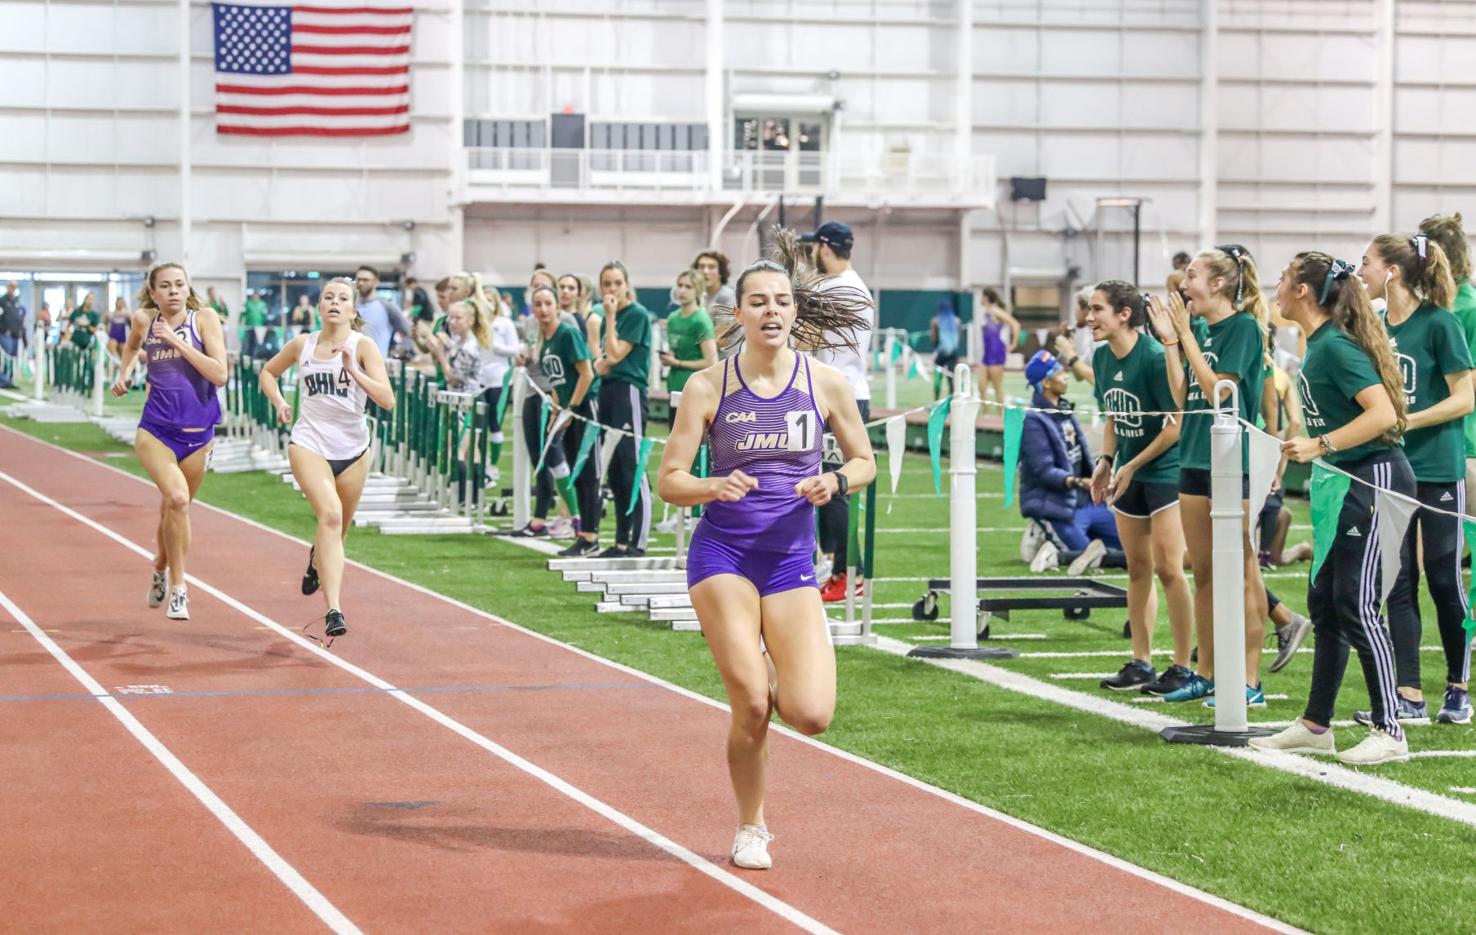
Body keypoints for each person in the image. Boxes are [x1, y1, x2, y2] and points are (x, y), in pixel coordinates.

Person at [655, 236, 874, 871]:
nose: (771, 311)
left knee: (810, 715)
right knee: (752, 705)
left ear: (795, 311)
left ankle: (785, 660)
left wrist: (835, 480)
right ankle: (751, 826)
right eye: (758, 302)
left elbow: (865, 461)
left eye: (781, 301)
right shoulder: (707, 386)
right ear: (739, 313)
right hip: (723, 554)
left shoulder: (825, 383)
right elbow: (668, 480)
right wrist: (711, 486)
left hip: (790, 561)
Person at [1250, 252, 1415, 765]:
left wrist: (1320, 445)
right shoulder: (1316, 344)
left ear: (1303, 290)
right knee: (1324, 601)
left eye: (1284, 278)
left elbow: (1384, 414)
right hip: (1342, 482)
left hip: (1373, 479)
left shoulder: (1335, 347)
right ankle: (1316, 725)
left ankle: (1391, 729)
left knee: (1357, 604)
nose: (1276, 287)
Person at [1146, 244, 1271, 708]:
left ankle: (1249, 680)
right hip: (1196, 459)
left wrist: (1186, 336)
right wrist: (1172, 343)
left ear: (1218, 283)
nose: (1184, 286)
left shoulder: (1244, 328)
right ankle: (1207, 672)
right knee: (1204, 573)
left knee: (1242, 572)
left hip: (1233, 464)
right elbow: (1185, 396)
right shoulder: (1198, 329)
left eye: (1193, 277)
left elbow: (1220, 392)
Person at [1362, 232, 1474, 726]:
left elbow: (1464, 398)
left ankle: (1458, 687)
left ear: (1392, 272)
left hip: (1438, 467)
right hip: (1391, 468)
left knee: (1444, 577)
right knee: (1399, 578)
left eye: (1367, 262)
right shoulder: (1374, 325)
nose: (1360, 271)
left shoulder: (1440, 323)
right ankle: (1408, 694)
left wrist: (1406, 421)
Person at [259, 278, 395, 640]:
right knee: (331, 516)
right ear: (320, 307)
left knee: (339, 531)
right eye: (328, 297)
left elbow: (387, 400)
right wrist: (280, 402)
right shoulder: (302, 344)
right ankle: (334, 610)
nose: (334, 302)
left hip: (353, 450)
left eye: (342, 298)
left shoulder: (363, 346)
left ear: (353, 310)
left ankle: (316, 560)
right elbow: (268, 372)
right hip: (309, 443)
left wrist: (354, 370)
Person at [1083, 282, 1193, 695]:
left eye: (1097, 309)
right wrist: (1106, 461)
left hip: (1165, 471)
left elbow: (1177, 424)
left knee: (1169, 568)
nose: (1089, 318)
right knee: (1138, 568)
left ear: (1124, 314)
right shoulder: (1101, 357)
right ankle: (1141, 661)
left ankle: (1182, 667)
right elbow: (1114, 416)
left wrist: (1131, 464)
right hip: (1128, 471)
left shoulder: (1152, 357)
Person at [110, 263, 228, 621]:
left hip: (198, 435)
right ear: (154, 292)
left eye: (179, 284)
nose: (173, 290)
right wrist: (124, 374)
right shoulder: (143, 320)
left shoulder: (204, 319)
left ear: (187, 288)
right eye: (165, 285)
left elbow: (220, 374)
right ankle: (179, 589)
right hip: (156, 431)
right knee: (177, 499)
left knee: (173, 511)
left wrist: (176, 341)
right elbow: (131, 347)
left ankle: (160, 567)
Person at [800, 221, 874, 603]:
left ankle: (848, 573)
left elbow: (804, 337)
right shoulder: (855, 285)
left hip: (838, 397)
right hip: (846, 392)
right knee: (831, 487)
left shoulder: (835, 288)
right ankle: (838, 569)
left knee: (835, 487)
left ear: (824, 247)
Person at [1019, 350, 1127, 576]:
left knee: (1130, 543)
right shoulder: (1033, 421)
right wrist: (1079, 482)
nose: (1066, 376)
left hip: (1086, 503)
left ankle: (1060, 549)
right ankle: (1048, 543)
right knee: (1084, 552)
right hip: (1058, 507)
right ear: (1046, 383)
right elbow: (1044, 471)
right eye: (1059, 373)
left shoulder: (1064, 410)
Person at [529, 285, 603, 556]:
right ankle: (583, 535)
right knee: (575, 471)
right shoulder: (545, 341)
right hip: (566, 410)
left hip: (584, 407)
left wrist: (571, 408)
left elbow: (587, 374)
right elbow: (556, 383)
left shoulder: (567, 334)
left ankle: (591, 536)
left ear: (557, 307)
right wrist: (556, 413)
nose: (543, 309)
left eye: (548, 303)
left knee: (589, 472)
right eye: (538, 304)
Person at [594, 260, 654, 557]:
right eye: (607, 284)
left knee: (633, 464)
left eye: (617, 283)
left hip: (628, 390)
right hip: (608, 390)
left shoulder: (635, 314)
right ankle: (620, 540)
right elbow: (602, 359)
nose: (612, 289)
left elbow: (615, 354)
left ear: (627, 285)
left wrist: (608, 317)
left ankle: (638, 541)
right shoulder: (610, 316)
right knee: (616, 470)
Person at [1419, 213, 1476, 524]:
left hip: (1466, 445)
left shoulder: (1469, 310)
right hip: (1431, 443)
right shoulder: (1434, 308)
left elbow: (1469, 387)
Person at [476, 285, 523, 492]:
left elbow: (516, 348)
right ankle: (480, 464)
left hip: (499, 380)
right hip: (478, 380)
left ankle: (493, 466)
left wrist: (496, 347)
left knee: (494, 423)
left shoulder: (504, 324)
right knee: (477, 425)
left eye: (490, 300)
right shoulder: (476, 325)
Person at [661, 268, 717, 420]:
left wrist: (678, 363)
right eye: (680, 285)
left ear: (697, 291)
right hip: (674, 387)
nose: (682, 290)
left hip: (695, 389)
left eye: (688, 287)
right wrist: (669, 359)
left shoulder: (701, 320)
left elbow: (711, 361)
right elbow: (677, 351)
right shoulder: (673, 319)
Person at [353, 266, 411, 358]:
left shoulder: (387, 307)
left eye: (365, 280)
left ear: (376, 282)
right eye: (358, 279)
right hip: (351, 362)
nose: (361, 283)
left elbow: (407, 333)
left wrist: (398, 354)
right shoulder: (350, 305)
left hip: (378, 362)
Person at [977, 287, 1021, 407]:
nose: (980, 299)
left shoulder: (996, 311)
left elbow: (1015, 324)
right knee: (981, 387)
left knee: (997, 387)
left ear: (986, 297)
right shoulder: (985, 312)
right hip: (986, 355)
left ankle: (999, 415)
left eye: (982, 296)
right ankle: (986, 414)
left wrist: (1013, 344)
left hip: (996, 353)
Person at [1053, 288, 1096, 385]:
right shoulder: (1090, 337)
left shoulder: (1102, 339)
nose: (1074, 311)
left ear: (1087, 309)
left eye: (1077, 307)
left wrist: (1069, 353)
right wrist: (1069, 349)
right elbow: (1079, 376)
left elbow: (1097, 379)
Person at [930, 300, 961, 399]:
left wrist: (935, 349)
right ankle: (951, 402)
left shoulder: (935, 321)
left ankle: (936, 401)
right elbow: (959, 337)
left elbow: (934, 339)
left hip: (941, 352)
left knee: (938, 378)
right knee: (951, 379)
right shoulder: (957, 321)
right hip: (953, 353)